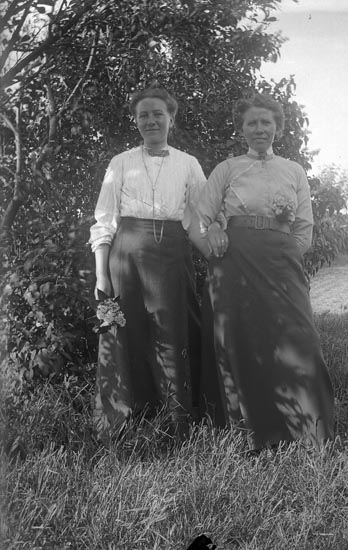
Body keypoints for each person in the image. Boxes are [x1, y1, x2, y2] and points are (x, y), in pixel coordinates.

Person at [191, 93, 334, 450]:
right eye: (252, 123)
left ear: (277, 128)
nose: (259, 129)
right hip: (235, 262)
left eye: (266, 122)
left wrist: (284, 256)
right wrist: (216, 235)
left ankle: (309, 431)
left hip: (281, 262)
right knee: (241, 340)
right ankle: (252, 433)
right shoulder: (227, 168)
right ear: (241, 129)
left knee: (300, 339)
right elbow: (200, 218)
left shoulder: (293, 170)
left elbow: (304, 229)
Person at [89, 87, 206, 440]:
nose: (151, 121)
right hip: (126, 258)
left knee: (172, 331)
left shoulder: (189, 164)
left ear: (171, 118)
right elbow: (104, 221)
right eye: (143, 115)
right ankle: (128, 419)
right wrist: (101, 274)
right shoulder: (120, 163)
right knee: (127, 331)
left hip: (172, 256)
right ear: (136, 121)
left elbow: (199, 220)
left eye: (158, 114)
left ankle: (176, 419)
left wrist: (220, 256)